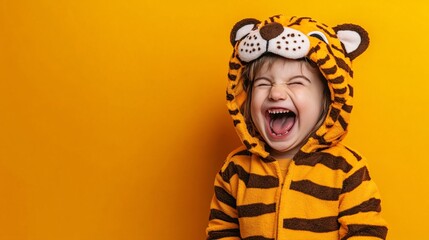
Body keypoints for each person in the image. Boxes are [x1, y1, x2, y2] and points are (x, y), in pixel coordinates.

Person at [206, 14, 388, 240]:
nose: (275, 93)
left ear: (328, 100)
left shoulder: (346, 168)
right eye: (263, 83)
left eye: (295, 82)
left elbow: (366, 231)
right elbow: (221, 231)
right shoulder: (235, 169)